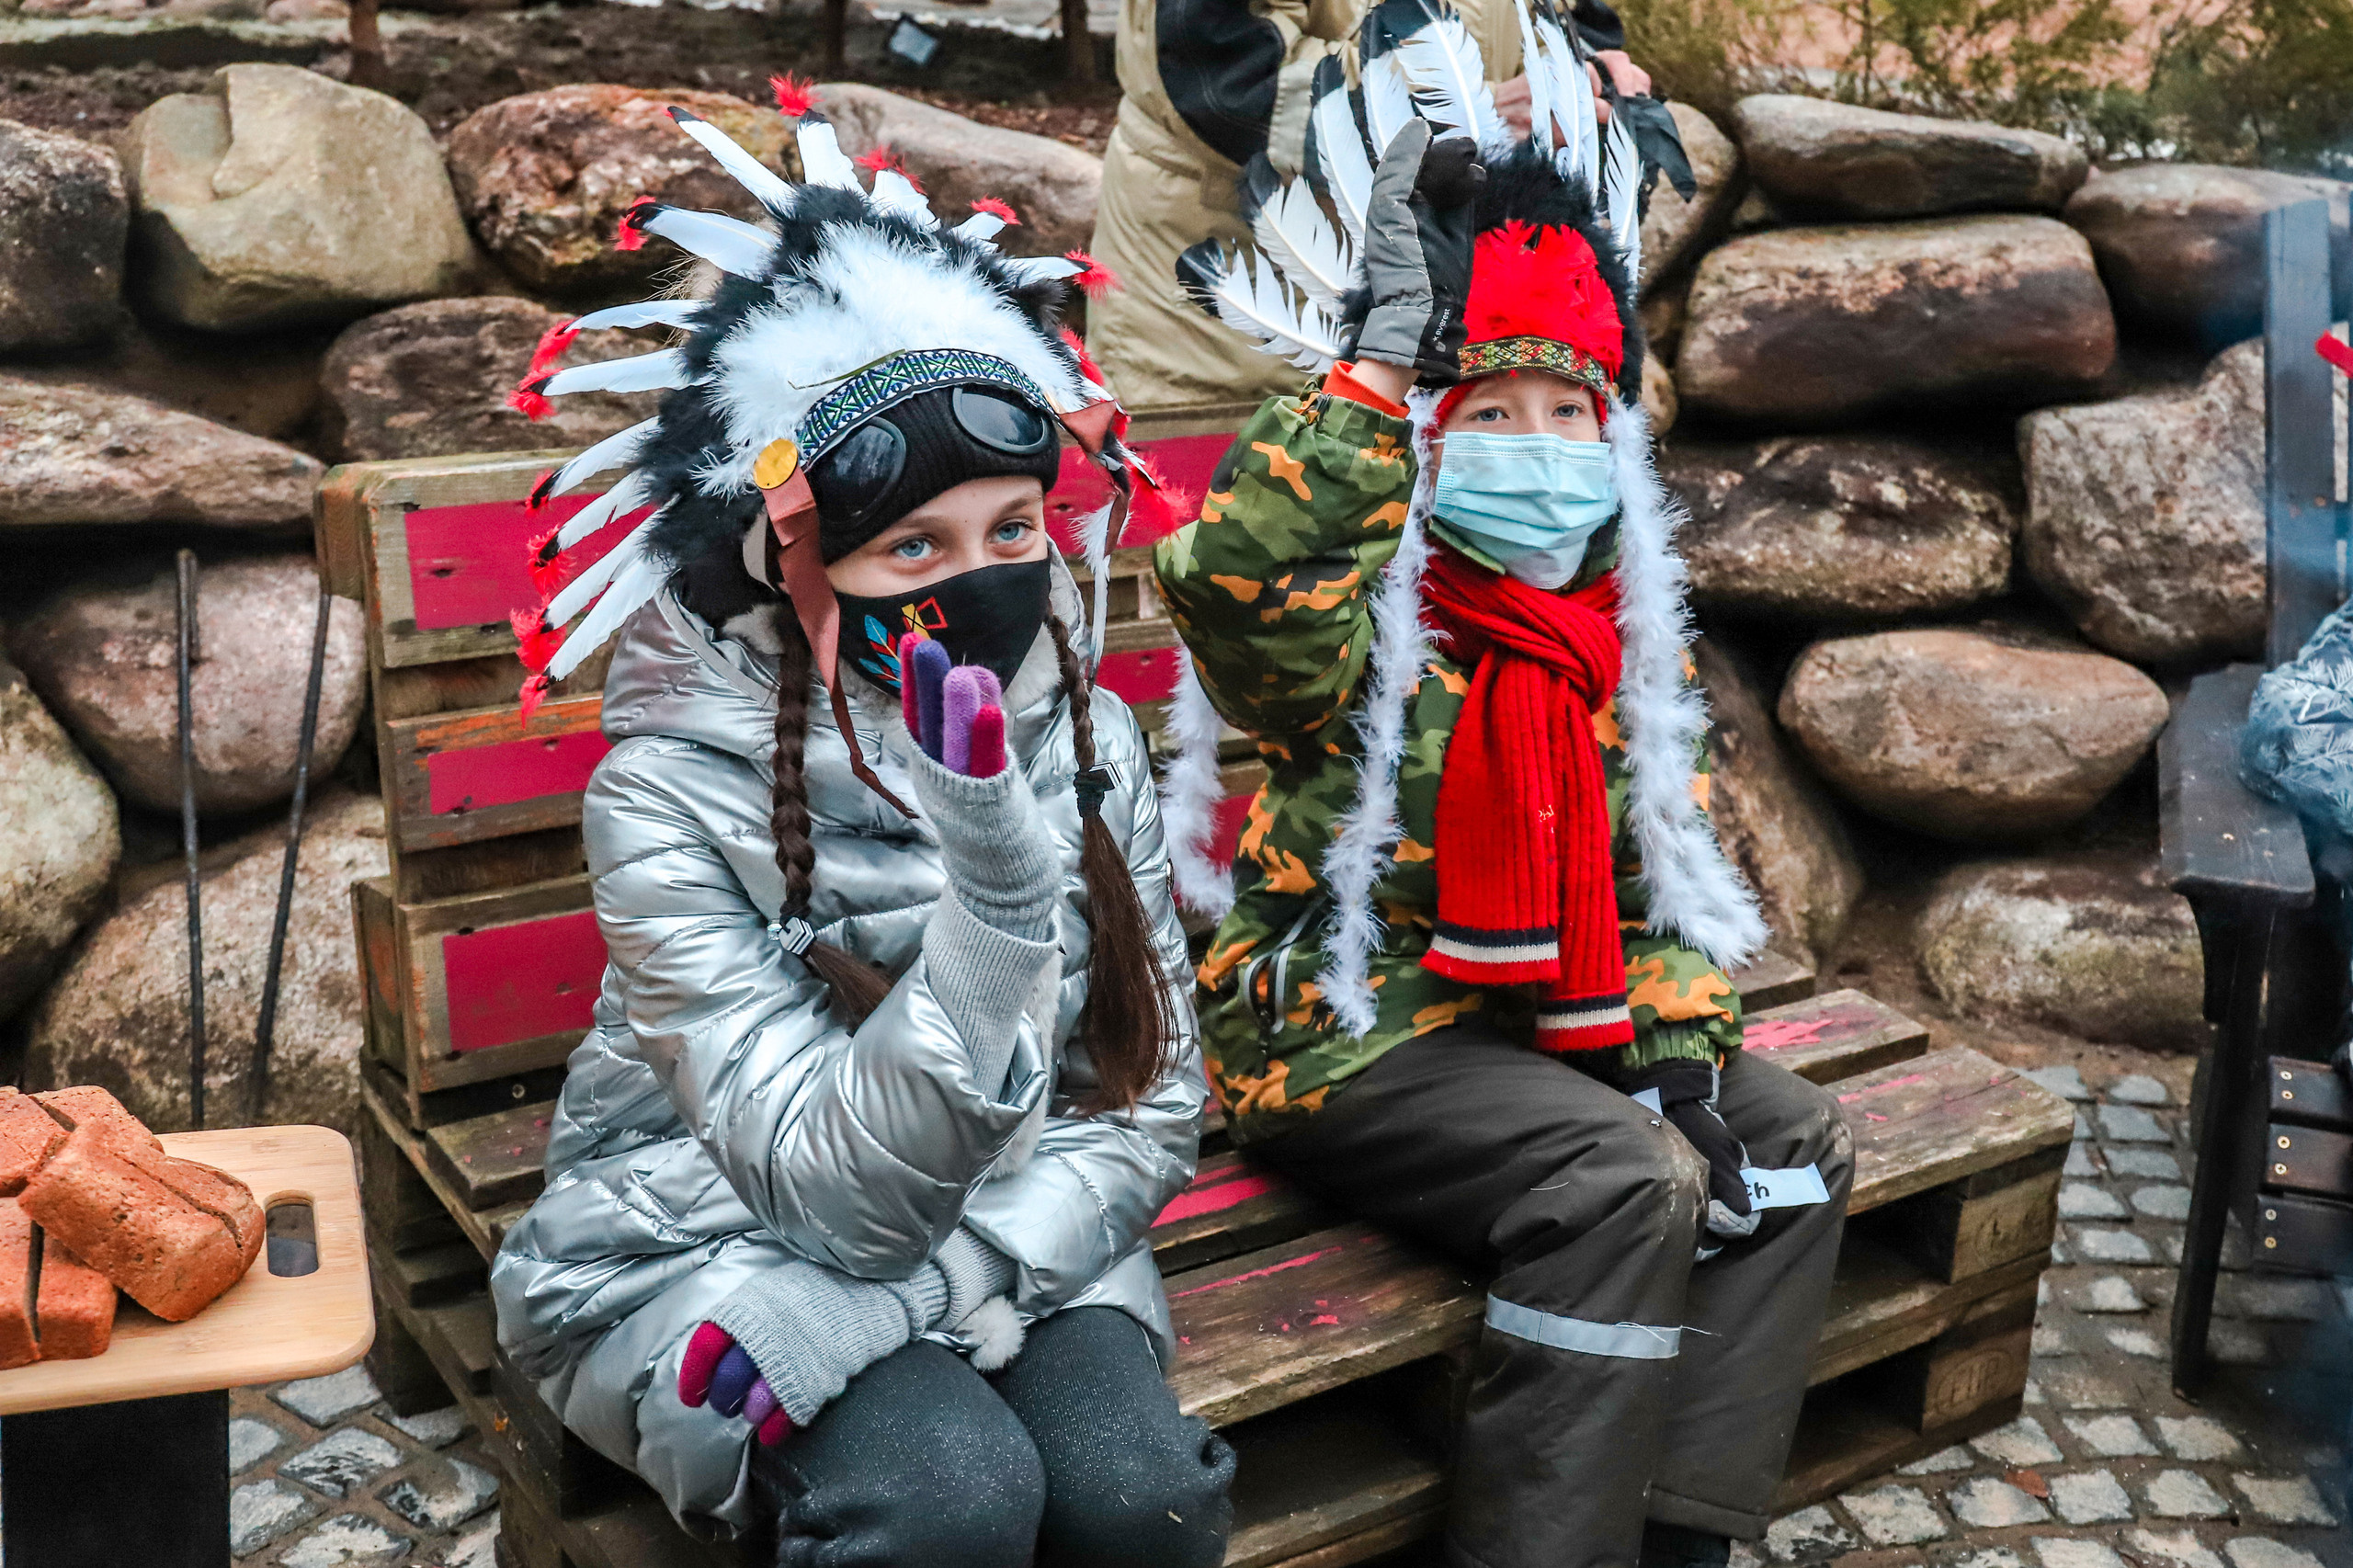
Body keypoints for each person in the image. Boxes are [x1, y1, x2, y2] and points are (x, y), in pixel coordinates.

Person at [485, 94, 1231, 1568]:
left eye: (1012, 529)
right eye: (913, 546)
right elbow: (831, 1194)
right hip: (700, 1240)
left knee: (1145, 1497)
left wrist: (948, 1282)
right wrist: (999, 898)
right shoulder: (665, 791)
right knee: (944, 1501)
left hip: (1022, 1211)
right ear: (799, 564)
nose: (983, 578)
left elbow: (1154, 1097)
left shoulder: (1084, 734)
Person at [1152, 24, 1855, 1568]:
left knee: (1793, 1145)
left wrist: (1680, 1051)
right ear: (1424, 435)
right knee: (1623, 1179)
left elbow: (1649, 892)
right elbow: (1240, 581)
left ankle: (1676, 1535)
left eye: (1566, 413)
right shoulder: (1364, 612)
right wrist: (1372, 371)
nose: (1536, 448)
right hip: (1351, 1030)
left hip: (1544, 1025)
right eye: (1488, 413)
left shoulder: (1615, 631)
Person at [1089, 0, 1651, 416]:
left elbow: (1568, 17)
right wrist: (1461, 115)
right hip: (1240, 329)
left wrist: (1584, 73)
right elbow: (1221, 73)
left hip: (1462, 321)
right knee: (1243, 526)